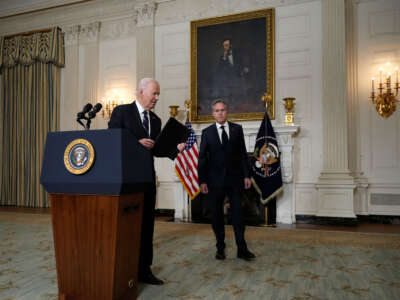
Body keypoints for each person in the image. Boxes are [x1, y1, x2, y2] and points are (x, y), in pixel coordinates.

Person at [108, 78, 185, 285]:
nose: (157, 98)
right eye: (154, 94)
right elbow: (111, 139)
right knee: (126, 226)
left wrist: (174, 149)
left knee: (146, 226)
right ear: (140, 92)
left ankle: (144, 270)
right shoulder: (121, 112)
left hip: (147, 180)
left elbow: (156, 149)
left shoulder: (157, 120)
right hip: (125, 180)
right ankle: (123, 268)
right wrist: (136, 142)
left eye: (158, 94)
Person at [198, 99, 255, 261]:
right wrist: (202, 181)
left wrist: (246, 175)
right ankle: (220, 248)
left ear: (226, 111)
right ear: (213, 114)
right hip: (214, 181)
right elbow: (202, 159)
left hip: (235, 179)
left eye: (222, 110)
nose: (220, 113)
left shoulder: (237, 129)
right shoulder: (207, 132)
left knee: (238, 215)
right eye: (217, 110)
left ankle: (242, 249)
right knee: (216, 216)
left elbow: (243, 154)